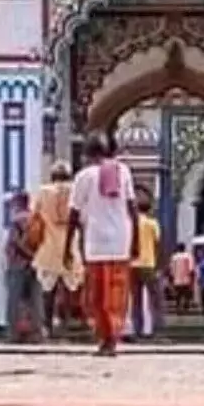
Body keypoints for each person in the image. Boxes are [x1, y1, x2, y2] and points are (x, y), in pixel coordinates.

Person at [65, 131, 139, 356]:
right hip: (121, 242)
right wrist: (136, 240)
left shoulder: (83, 176)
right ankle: (112, 336)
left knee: (97, 295)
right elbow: (133, 209)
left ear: (87, 154)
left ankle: (105, 338)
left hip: (96, 243)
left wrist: (67, 246)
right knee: (116, 294)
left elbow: (73, 214)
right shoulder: (122, 171)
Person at [33, 162, 81, 334]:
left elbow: (35, 215)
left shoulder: (43, 192)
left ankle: (47, 324)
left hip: (48, 246)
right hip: (71, 246)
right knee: (69, 288)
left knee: (48, 289)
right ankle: (65, 323)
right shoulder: (75, 191)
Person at [4, 190, 45, 341]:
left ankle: (14, 333)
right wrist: (34, 257)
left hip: (18, 263)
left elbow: (15, 241)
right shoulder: (36, 219)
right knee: (36, 299)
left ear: (17, 203)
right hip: (36, 263)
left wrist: (26, 254)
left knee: (14, 299)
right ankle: (36, 332)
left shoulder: (16, 220)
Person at [129, 190, 161, 338]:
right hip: (148, 263)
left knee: (135, 299)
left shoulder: (131, 223)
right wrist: (159, 264)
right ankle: (150, 328)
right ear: (149, 209)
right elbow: (157, 243)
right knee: (152, 297)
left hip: (133, 264)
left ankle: (136, 328)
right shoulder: (152, 223)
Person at [167, 243, 195, 314]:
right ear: (184, 248)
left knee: (178, 295)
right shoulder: (189, 256)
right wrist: (192, 280)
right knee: (186, 295)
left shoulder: (174, 257)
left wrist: (171, 280)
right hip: (186, 279)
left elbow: (171, 270)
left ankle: (178, 308)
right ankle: (186, 309)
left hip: (177, 280)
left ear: (178, 248)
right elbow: (191, 269)